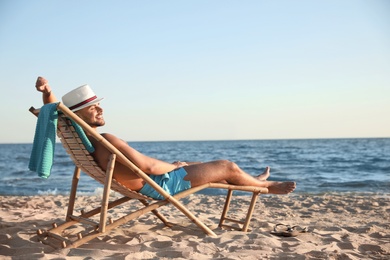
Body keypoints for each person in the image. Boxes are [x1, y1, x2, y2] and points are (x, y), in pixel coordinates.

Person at [35, 76, 296, 199]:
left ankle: (255, 181)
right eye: (93, 108)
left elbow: (55, 113)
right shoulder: (107, 140)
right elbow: (147, 168)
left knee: (197, 166)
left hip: (152, 181)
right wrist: (173, 168)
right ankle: (266, 187)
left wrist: (47, 94)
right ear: (80, 115)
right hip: (161, 186)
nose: (100, 109)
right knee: (227, 166)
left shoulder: (85, 140)